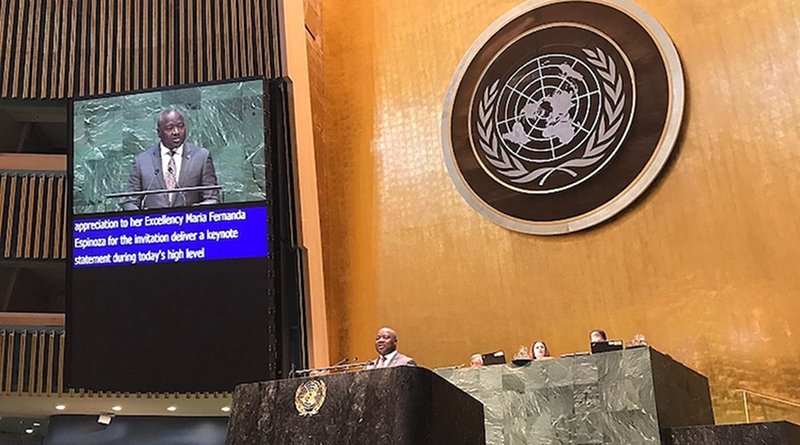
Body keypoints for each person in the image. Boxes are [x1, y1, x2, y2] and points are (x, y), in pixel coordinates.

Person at [122, 109, 219, 211]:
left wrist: (195, 211)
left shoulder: (201, 157)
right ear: (159, 133)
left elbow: (212, 199)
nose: (176, 132)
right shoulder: (142, 161)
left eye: (181, 126)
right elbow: (130, 202)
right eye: (170, 128)